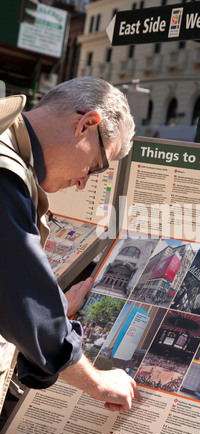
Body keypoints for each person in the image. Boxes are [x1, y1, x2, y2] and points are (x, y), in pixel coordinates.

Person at [0, 77, 140, 416]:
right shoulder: (6, 174)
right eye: (95, 166)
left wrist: (55, 304)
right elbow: (19, 300)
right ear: (86, 125)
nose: (82, 182)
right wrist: (97, 381)